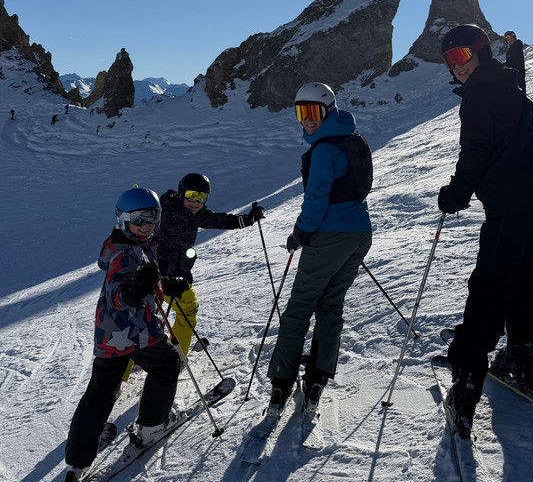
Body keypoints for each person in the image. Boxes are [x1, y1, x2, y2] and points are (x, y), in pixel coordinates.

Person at [436, 24, 533, 438]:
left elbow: (475, 152)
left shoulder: (479, 95)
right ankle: (520, 359)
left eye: (461, 57)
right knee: (524, 279)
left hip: (513, 208)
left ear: (479, 53)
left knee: (490, 288)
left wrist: (454, 195)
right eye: (449, 61)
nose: (456, 68)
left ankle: (467, 384)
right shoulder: (508, 86)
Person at [62, 187, 184, 482]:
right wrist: (133, 291)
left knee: (102, 389)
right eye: (137, 218)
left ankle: (78, 459)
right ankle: (152, 426)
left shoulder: (130, 243)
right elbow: (121, 290)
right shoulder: (123, 254)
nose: (145, 224)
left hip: (109, 332)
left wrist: (164, 286)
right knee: (168, 365)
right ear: (122, 220)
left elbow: (145, 278)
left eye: (151, 217)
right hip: (136, 330)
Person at [266, 82, 373, 420]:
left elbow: (317, 198)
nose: (307, 121)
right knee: (330, 304)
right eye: (301, 113)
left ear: (328, 110)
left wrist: (301, 232)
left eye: (312, 113)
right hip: (358, 233)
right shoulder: (353, 140)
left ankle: (282, 379)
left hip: (328, 235)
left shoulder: (325, 149)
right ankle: (318, 375)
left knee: (299, 307)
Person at [156, 173, 266, 356]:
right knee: (166, 314)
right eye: (192, 195)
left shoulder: (193, 214)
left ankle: (169, 354)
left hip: (178, 276)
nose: (195, 202)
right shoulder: (165, 212)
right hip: (160, 277)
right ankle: (175, 357)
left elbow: (219, 220)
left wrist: (248, 220)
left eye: (201, 197)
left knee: (157, 316)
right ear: (182, 193)